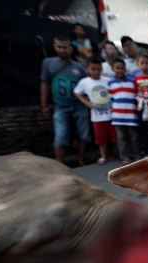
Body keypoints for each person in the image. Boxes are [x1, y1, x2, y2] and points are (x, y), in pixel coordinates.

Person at [40, 35, 91, 166]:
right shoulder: (48, 63)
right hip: (60, 106)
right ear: (54, 47)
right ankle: (59, 164)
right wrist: (44, 105)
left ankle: (81, 161)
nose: (63, 50)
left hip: (79, 105)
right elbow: (45, 84)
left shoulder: (79, 68)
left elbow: (87, 86)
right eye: (59, 47)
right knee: (61, 136)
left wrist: (88, 102)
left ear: (71, 48)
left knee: (83, 135)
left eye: (65, 47)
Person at [74, 56, 117, 164]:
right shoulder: (85, 82)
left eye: (98, 69)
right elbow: (76, 92)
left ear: (102, 69)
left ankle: (113, 154)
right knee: (100, 137)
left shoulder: (108, 81)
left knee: (114, 136)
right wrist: (85, 102)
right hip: (97, 116)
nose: (96, 72)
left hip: (111, 114)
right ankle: (103, 155)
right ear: (87, 69)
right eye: (93, 69)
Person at [108, 58, 141, 163]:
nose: (119, 70)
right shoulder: (110, 83)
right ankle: (124, 156)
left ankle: (138, 154)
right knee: (121, 137)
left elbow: (137, 96)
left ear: (125, 69)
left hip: (131, 115)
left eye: (122, 68)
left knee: (135, 136)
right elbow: (110, 99)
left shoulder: (132, 82)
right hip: (118, 116)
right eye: (117, 68)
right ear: (113, 69)